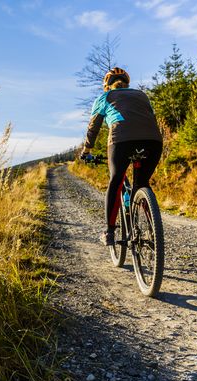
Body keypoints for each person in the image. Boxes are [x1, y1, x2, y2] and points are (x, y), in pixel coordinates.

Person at [80, 67, 163, 246]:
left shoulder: (104, 98)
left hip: (122, 141)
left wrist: (86, 151)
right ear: (126, 83)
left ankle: (109, 232)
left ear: (107, 86)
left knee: (116, 181)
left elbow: (93, 129)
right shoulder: (142, 95)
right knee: (141, 184)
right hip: (153, 141)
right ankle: (153, 229)